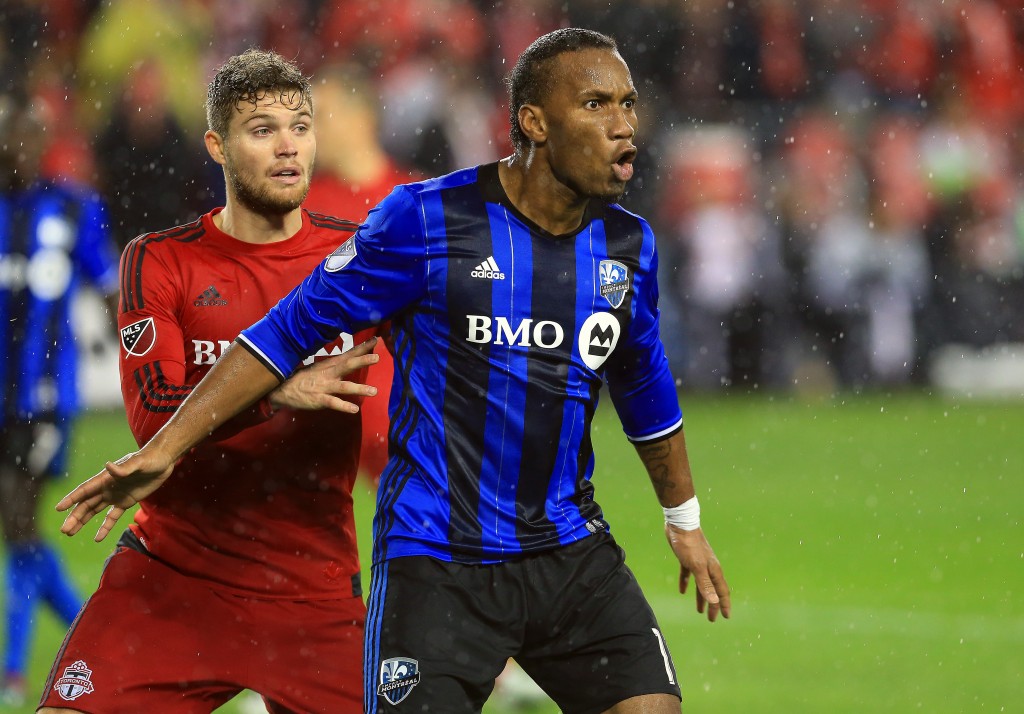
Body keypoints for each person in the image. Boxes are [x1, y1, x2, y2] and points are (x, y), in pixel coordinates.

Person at [58, 29, 732, 713]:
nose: (624, 125)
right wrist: (172, 444)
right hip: (428, 558)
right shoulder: (426, 221)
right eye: (597, 104)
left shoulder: (628, 246)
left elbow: (643, 382)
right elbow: (282, 334)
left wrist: (684, 518)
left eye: (627, 103)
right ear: (534, 122)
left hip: (559, 548)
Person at [38, 49, 381, 713]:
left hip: (313, 593)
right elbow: (153, 419)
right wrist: (279, 387)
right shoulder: (161, 261)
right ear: (217, 147)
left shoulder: (360, 256)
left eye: (301, 126)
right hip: (172, 579)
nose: (289, 148)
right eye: (263, 130)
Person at [0, 96, 119, 707]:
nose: (19, 146)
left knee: (17, 518)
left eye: (29, 134)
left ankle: (13, 670)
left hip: (41, 395)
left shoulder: (75, 207)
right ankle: (95, 633)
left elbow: (107, 287)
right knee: (15, 529)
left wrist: (139, 360)